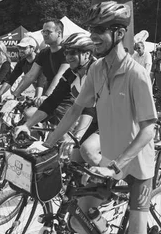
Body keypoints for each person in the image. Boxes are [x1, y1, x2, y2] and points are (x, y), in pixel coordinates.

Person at [24, 1, 157, 234]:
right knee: (76, 218)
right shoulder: (97, 70)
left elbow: (149, 130)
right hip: (109, 160)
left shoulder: (136, 74)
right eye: (92, 29)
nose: (93, 35)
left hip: (137, 168)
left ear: (119, 33)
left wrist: (117, 166)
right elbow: (74, 110)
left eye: (100, 30)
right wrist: (47, 143)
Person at [14, 33, 100, 163]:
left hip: (108, 121)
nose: (68, 57)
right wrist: (27, 125)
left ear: (87, 54)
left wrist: (77, 136)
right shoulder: (71, 73)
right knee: (74, 163)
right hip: (90, 121)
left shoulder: (96, 71)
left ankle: (114, 177)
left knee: (88, 151)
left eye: (72, 53)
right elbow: (52, 101)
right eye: (66, 53)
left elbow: (90, 109)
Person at [11, 19, 69, 105]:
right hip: (51, 96)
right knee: (28, 114)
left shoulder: (68, 52)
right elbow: (30, 75)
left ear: (59, 33)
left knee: (31, 114)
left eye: (48, 32)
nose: (44, 35)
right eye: (43, 32)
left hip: (67, 97)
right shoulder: (44, 53)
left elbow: (60, 75)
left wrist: (46, 95)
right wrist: (15, 94)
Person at [0, 36, 45, 103]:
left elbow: (41, 81)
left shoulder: (40, 60)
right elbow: (10, 80)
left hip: (50, 91)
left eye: (24, 48)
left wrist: (37, 98)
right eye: (19, 47)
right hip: (40, 92)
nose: (21, 50)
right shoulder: (22, 62)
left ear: (32, 48)